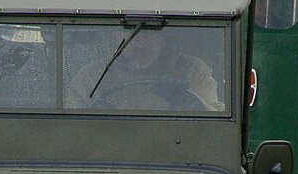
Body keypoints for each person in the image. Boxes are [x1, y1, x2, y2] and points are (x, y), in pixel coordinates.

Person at [65, 27, 222, 111]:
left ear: (164, 36)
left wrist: (187, 103)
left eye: (150, 32)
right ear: (116, 34)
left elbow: (216, 127)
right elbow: (72, 130)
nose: (140, 42)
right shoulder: (91, 78)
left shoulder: (192, 71)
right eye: (130, 31)